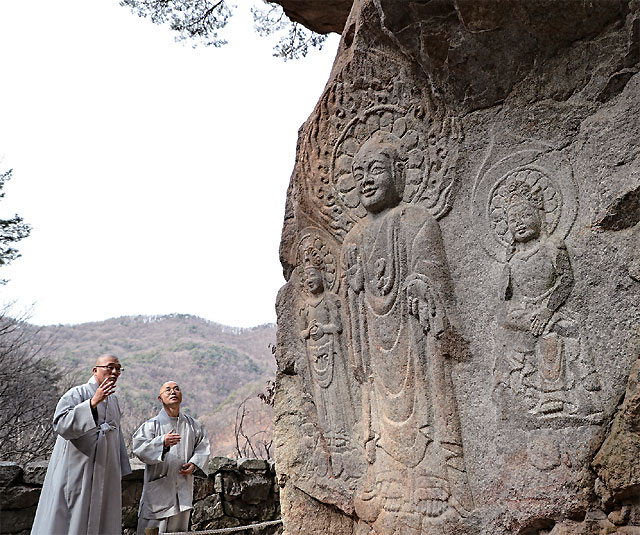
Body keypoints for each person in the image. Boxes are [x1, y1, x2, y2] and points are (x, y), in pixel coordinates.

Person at [342, 130, 473, 527]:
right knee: (378, 416)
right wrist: (354, 290)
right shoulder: (354, 238)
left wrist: (419, 285)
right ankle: (387, 483)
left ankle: (440, 479)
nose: (366, 179)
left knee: (427, 405)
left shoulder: (417, 220)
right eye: (358, 172)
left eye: (376, 170)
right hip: (375, 347)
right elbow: (352, 307)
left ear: (399, 173)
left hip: (416, 343)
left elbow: (437, 282)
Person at [31, 354, 131, 535]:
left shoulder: (113, 400)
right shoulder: (76, 393)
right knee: (71, 518)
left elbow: (117, 435)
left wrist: (119, 468)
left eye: (118, 368)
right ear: (95, 370)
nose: (115, 372)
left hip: (105, 471)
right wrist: (92, 403)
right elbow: (61, 424)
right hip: (77, 471)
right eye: (110, 367)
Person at [133, 381, 210, 535]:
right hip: (158, 493)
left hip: (182, 492)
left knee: (179, 531)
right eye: (167, 390)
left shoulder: (193, 425)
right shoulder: (151, 425)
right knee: (152, 531)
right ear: (160, 399)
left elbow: (203, 447)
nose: (173, 392)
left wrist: (194, 464)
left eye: (176, 389)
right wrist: (162, 443)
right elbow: (139, 448)